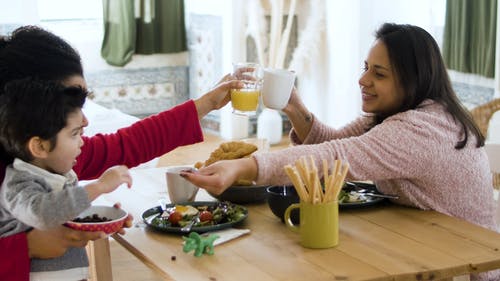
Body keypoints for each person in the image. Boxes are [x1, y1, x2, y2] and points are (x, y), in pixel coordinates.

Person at [183, 23, 498, 281]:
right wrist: (294, 106)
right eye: (365, 68)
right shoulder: (398, 116)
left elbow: (335, 157)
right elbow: (331, 142)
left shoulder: (422, 130)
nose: (363, 80)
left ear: (413, 80)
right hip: (420, 245)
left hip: (466, 267)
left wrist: (245, 167)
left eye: (379, 73)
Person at [0, 25, 242, 281]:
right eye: (72, 106)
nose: (85, 121)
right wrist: (27, 246)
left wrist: (207, 104)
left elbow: (127, 144)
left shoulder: (48, 157)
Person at [0, 78, 133, 280]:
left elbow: (64, 213)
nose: (82, 143)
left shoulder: (58, 173)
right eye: (74, 134)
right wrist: (98, 187)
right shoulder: (18, 184)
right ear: (40, 147)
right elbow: (43, 214)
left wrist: (103, 220)